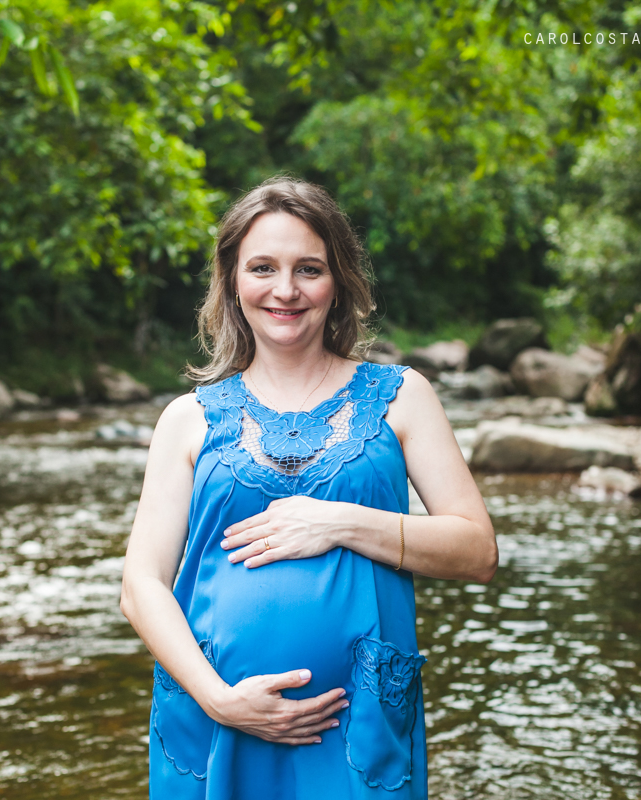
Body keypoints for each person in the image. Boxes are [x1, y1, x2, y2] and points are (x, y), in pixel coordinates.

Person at [119, 176, 497, 799]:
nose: (285, 290)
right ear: (233, 281)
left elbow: (477, 551)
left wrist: (339, 522)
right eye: (263, 267)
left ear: (339, 281)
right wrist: (220, 700)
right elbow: (140, 587)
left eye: (309, 269)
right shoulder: (186, 419)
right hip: (217, 722)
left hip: (357, 723)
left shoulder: (403, 397)